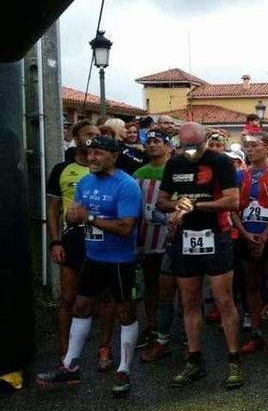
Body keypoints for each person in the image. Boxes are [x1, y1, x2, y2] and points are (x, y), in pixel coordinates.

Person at [36, 136, 143, 398]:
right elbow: (77, 215)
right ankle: (70, 365)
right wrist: (74, 219)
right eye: (90, 153)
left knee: (125, 312)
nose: (92, 158)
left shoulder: (127, 185)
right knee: (81, 307)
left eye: (98, 153)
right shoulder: (85, 182)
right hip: (93, 257)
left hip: (120, 260)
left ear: (113, 156)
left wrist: (90, 218)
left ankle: (123, 370)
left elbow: (126, 227)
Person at [157, 122, 245, 389]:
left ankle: (234, 361)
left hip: (215, 235)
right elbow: (161, 201)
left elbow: (233, 201)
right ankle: (194, 360)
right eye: (187, 147)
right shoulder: (174, 164)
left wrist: (197, 205)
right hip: (185, 237)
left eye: (197, 146)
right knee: (190, 302)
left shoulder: (220, 162)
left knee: (223, 301)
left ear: (206, 140)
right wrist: (177, 204)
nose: (192, 152)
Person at [46, 120, 116, 370]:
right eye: (88, 135)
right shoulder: (62, 169)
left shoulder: (107, 169)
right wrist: (55, 241)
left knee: (106, 296)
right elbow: (53, 209)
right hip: (74, 237)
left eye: (98, 135)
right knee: (68, 298)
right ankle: (65, 354)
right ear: (75, 138)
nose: (93, 139)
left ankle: (104, 347)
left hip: (104, 235)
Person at [232, 132, 268, 355]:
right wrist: (245, 234)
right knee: (251, 285)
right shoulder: (240, 175)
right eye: (247, 145)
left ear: (267, 147)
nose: (250, 149)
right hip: (247, 235)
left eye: (255, 145)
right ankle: (256, 331)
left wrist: (266, 235)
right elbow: (234, 208)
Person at [132, 130, 175, 360]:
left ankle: (175, 327)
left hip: (170, 236)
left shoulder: (176, 170)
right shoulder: (138, 173)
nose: (152, 145)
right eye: (148, 141)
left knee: (174, 283)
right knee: (150, 282)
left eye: (157, 141)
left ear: (168, 146)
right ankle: (151, 325)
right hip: (146, 236)